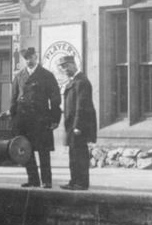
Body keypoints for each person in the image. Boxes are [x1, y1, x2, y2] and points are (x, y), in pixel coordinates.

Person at [11, 47, 61, 188]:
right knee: (27, 151)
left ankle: (46, 181)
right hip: (23, 120)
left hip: (41, 120)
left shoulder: (46, 75)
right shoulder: (20, 76)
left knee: (43, 151)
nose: (28, 61)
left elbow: (55, 99)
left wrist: (55, 119)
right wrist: (14, 118)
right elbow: (13, 99)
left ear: (36, 57)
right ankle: (33, 179)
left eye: (31, 57)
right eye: (26, 58)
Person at [58, 55, 96, 190]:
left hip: (78, 126)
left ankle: (81, 182)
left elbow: (82, 106)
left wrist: (78, 126)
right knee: (73, 154)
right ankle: (74, 181)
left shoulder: (82, 81)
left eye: (67, 66)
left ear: (73, 64)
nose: (65, 70)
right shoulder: (74, 81)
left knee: (80, 155)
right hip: (72, 126)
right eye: (63, 68)